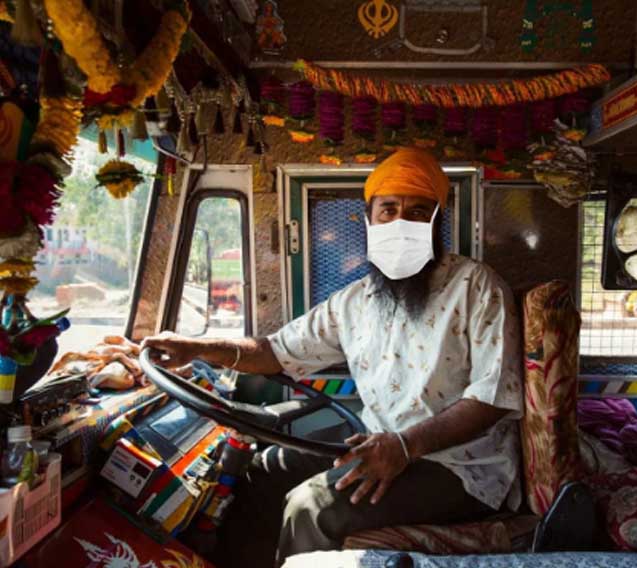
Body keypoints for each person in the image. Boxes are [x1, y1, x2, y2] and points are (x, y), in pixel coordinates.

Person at [143, 147, 524, 567]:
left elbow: (491, 398)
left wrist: (403, 446)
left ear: (436, 222)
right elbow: (274, 351)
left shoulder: (477, 287)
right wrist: (195, 348)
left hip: (462, 467)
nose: (401, 222)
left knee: (310, 508)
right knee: (263, 469)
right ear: (369, 220)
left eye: (418, 212)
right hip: (378, 443)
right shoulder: (355, 301)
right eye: (389, 210)